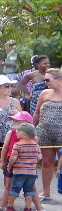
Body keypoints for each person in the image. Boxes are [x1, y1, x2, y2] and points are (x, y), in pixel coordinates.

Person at [33, 67, 62, 201]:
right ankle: (46, 191)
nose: (46, 82)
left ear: (58, 80)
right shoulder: (44, 93)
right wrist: (32, 129)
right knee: (47, 162)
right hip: (45, 133)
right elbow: (37, 113)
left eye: (48, 80)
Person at [5, 123, 44, 211]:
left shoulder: (17, 145)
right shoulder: (36, 145)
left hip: (19, 171)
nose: (16, 132)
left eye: (18, 131)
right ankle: (28, 208)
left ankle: (10, 206)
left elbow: (13, 157)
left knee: (15, 188)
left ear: (25, 134)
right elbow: (39, 157)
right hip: (31, 172)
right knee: (29, 190)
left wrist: (9, 165)